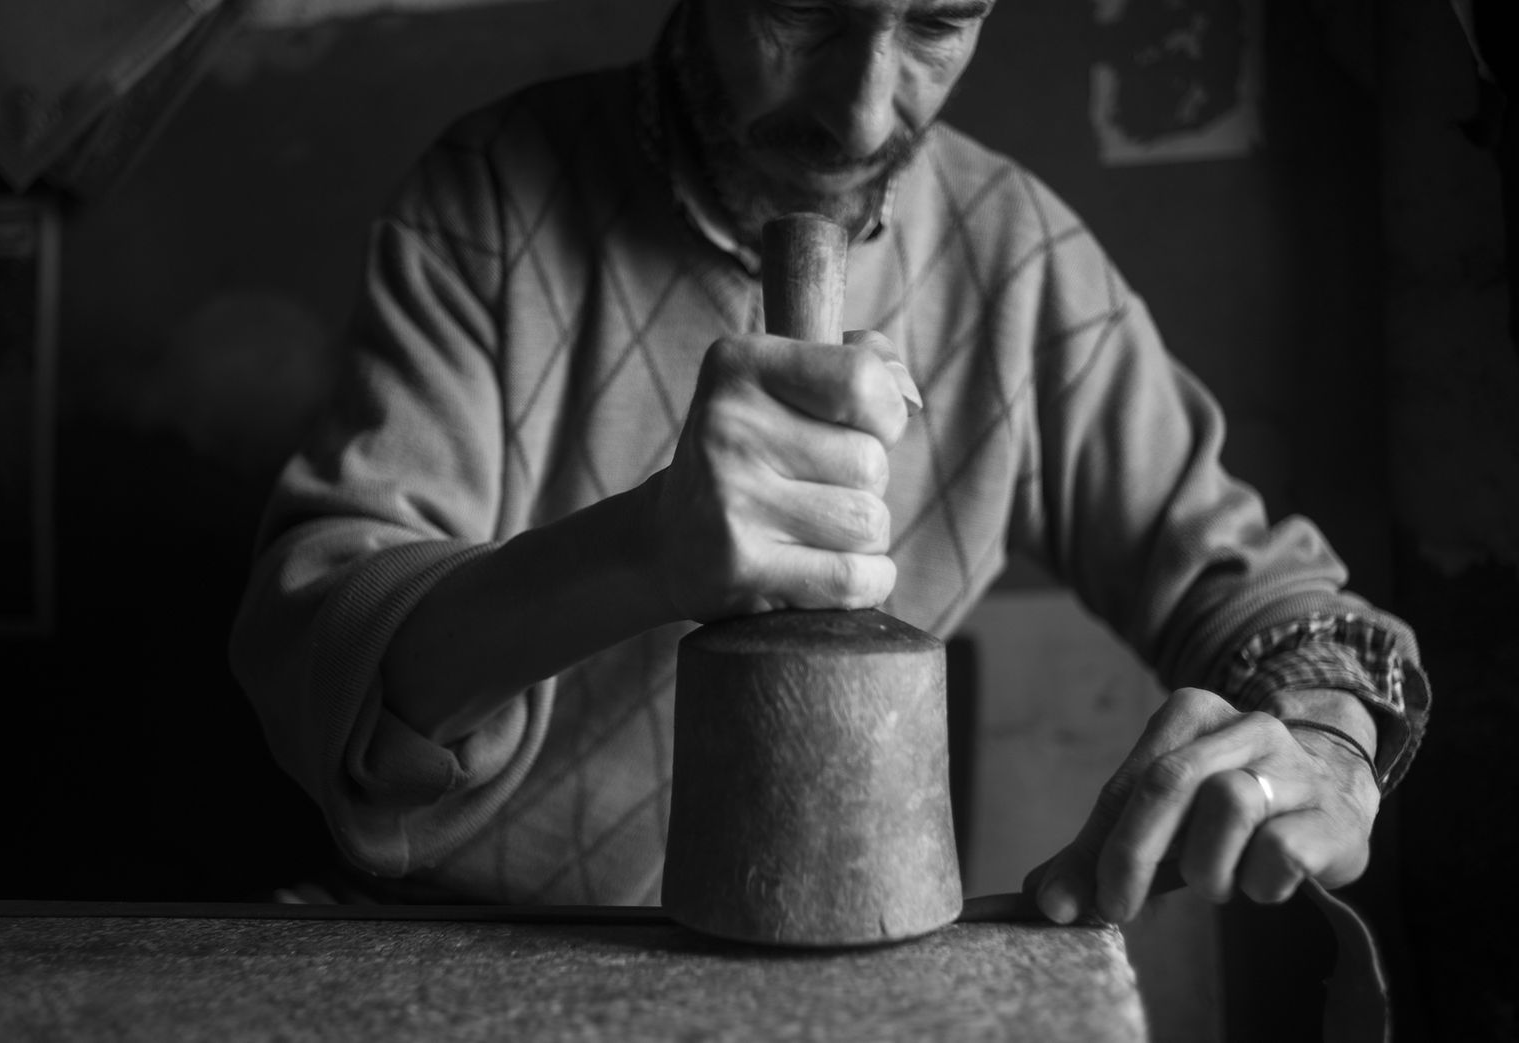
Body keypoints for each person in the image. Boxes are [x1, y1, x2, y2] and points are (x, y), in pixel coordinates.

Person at [230, 0, 1429, 922]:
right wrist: (640, 550)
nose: (860, 115)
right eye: (801, 11)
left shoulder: (1016, 257)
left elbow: (1267, 599)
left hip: (831, 979)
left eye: (937, 23)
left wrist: (1325, 739)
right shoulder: (490, 196)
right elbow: (319, 661)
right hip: (465, 947)